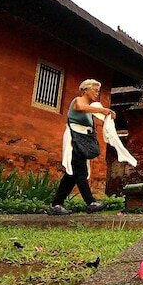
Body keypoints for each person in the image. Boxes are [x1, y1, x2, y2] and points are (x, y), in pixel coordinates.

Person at [47, 79, 117, 215]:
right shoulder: (78, 100)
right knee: (81, 172)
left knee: (71, 175)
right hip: (74, 140)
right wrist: (102, 109)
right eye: (95, 90)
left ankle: (56, 204)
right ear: (86, 89)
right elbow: (80, 107)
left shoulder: (90, 109)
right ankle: (90, 202)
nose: (97, 93)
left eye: (98, 91)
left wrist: (108, 115)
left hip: (83, 140)